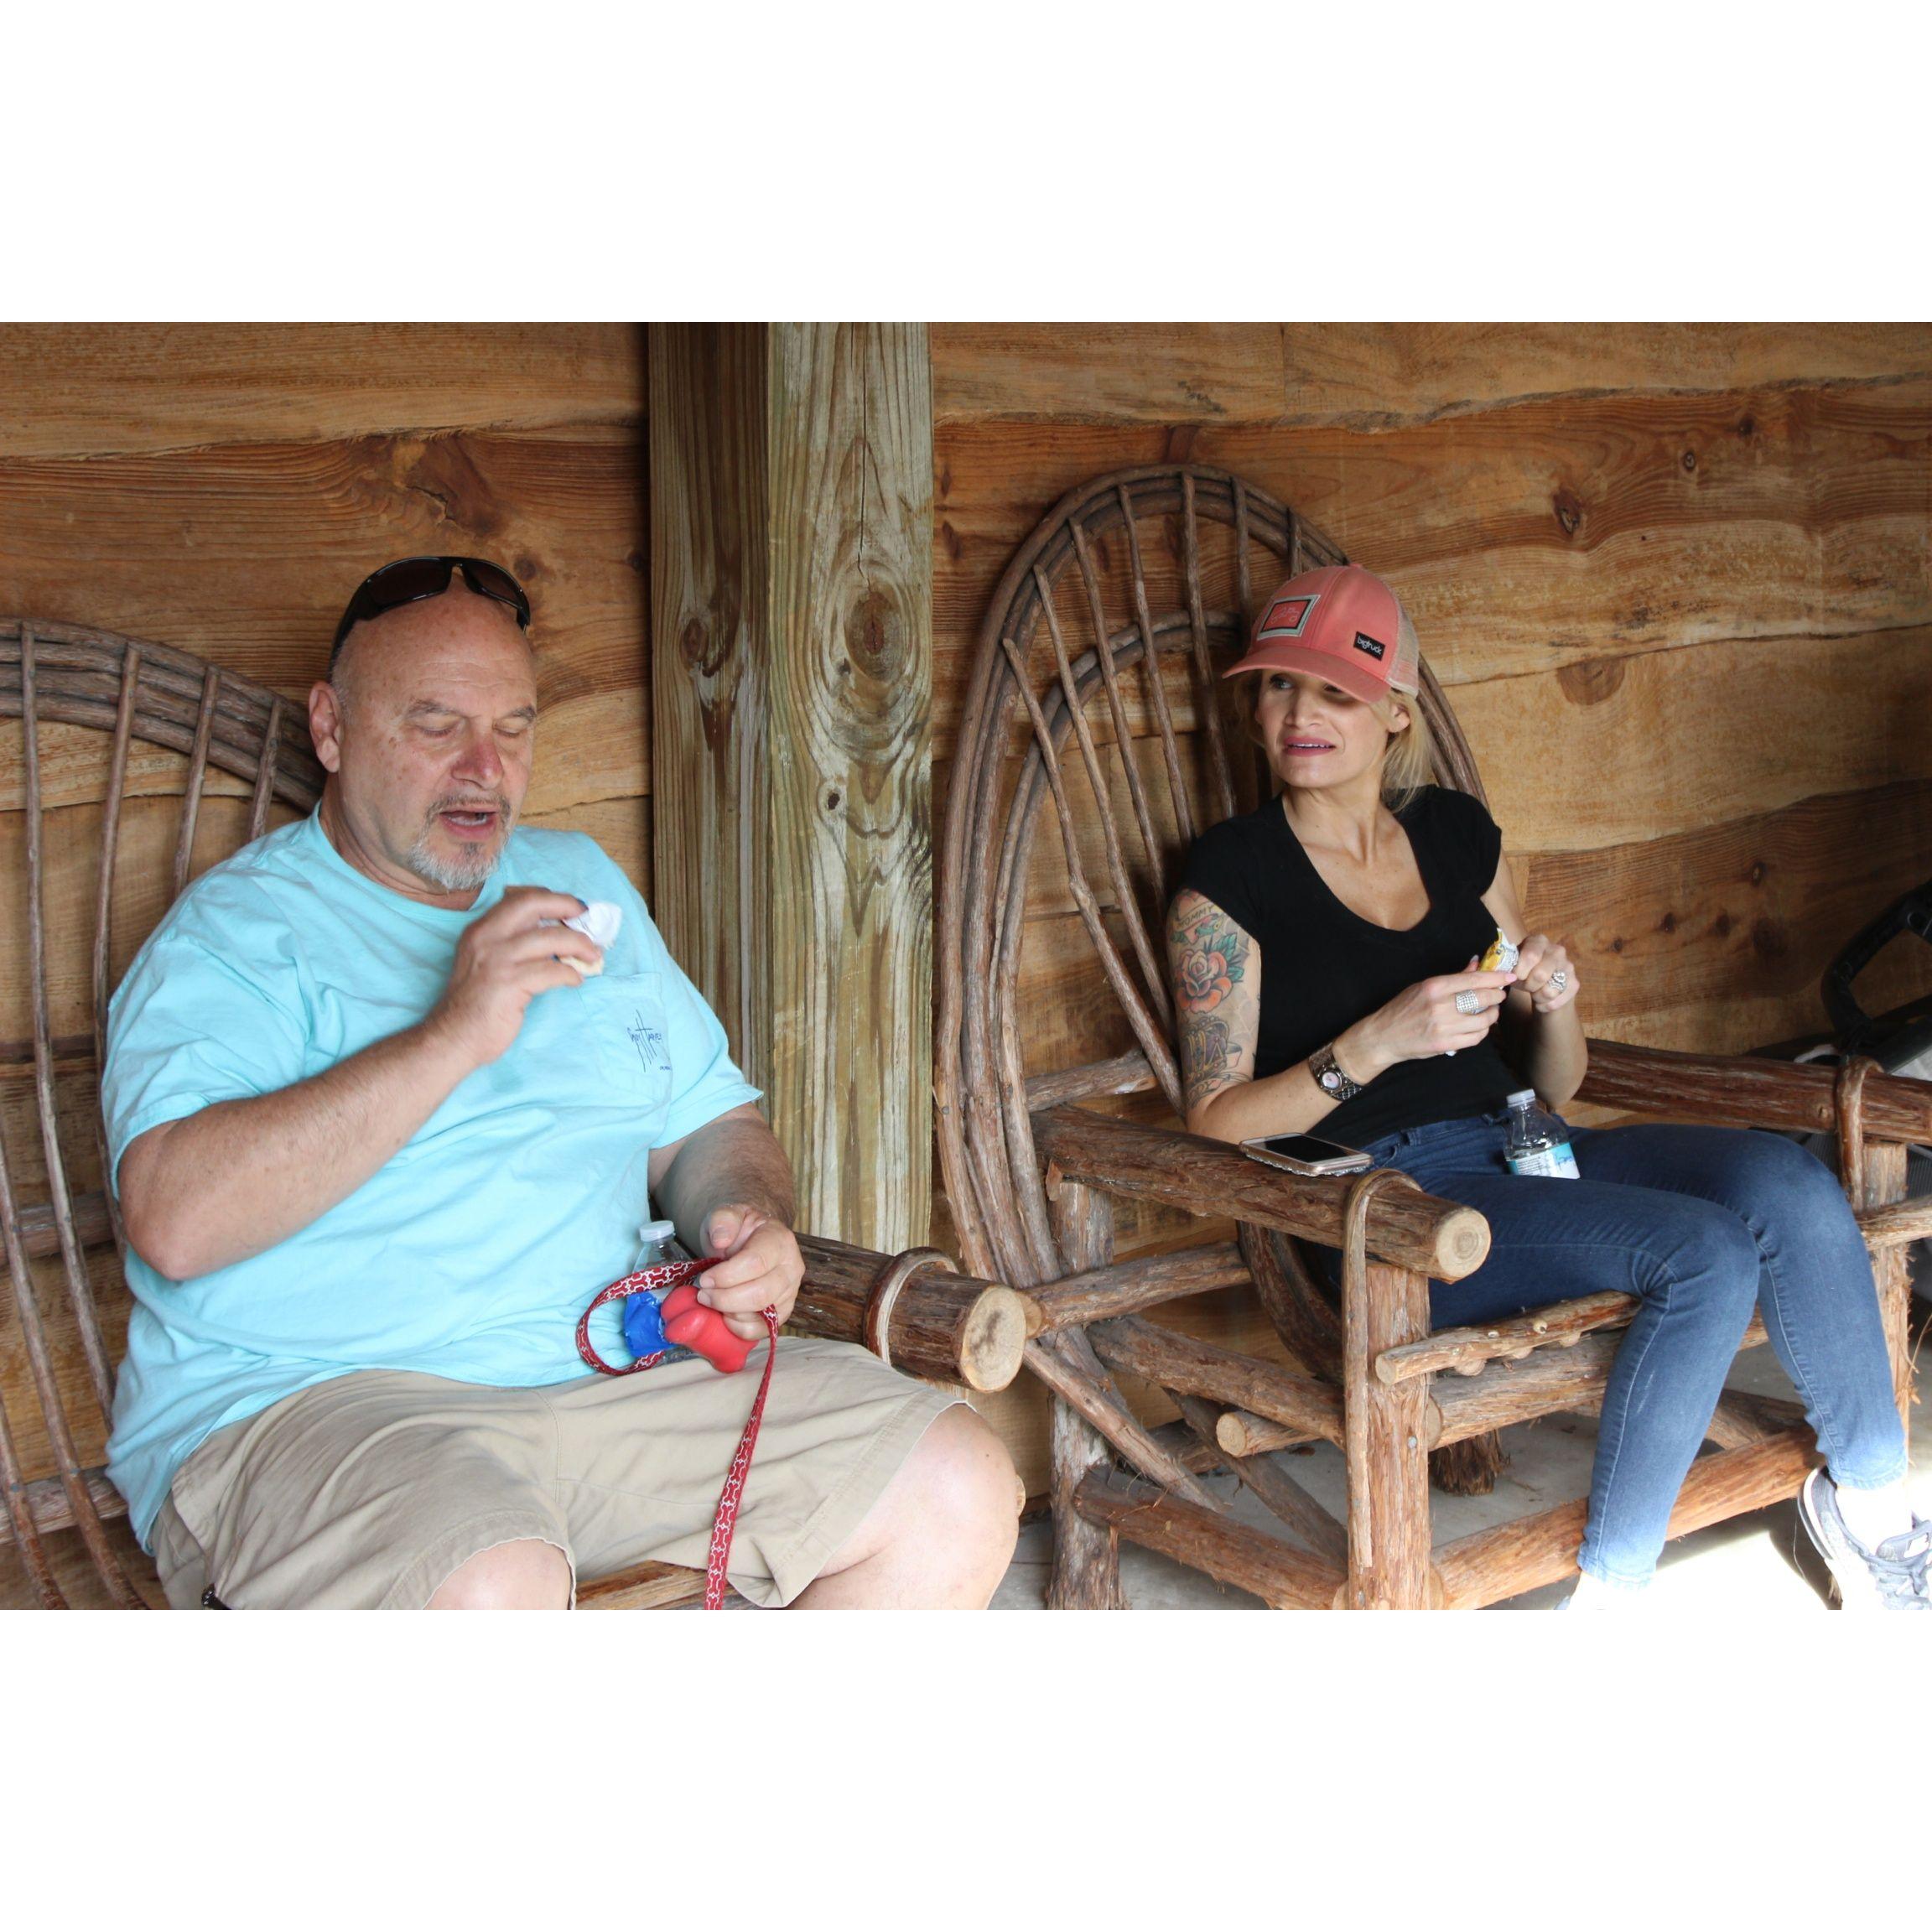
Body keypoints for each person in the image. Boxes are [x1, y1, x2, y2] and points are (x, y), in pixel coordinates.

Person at [105, 554, 1020, 1609]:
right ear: (331, 728)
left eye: (514, 727)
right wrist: (455, 1032)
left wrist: (744, 1219)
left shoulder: (578, 881)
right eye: (437, 724)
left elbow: (710, 1125)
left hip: (609, 1383)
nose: (483, 769)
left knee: (954, 1484)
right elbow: (173, 1221)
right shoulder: (233, 937)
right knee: (495, 1577)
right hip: (314, 1408)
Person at [1166, 563, 1929, 1611]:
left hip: (1524, 1146)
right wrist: (1376, 1044)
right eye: (1276, 687)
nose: (1299, 714)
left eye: (1335, 692)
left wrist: (1556, 995)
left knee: (1785, 1180)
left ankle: (1873, 1510)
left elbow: (1554, 1079)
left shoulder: (1452, 834)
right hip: (1388, 1207)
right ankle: (1609, 1598)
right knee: (1702, 1252)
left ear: (1394, 713)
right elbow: (1211, 1127)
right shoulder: (1229, 879)